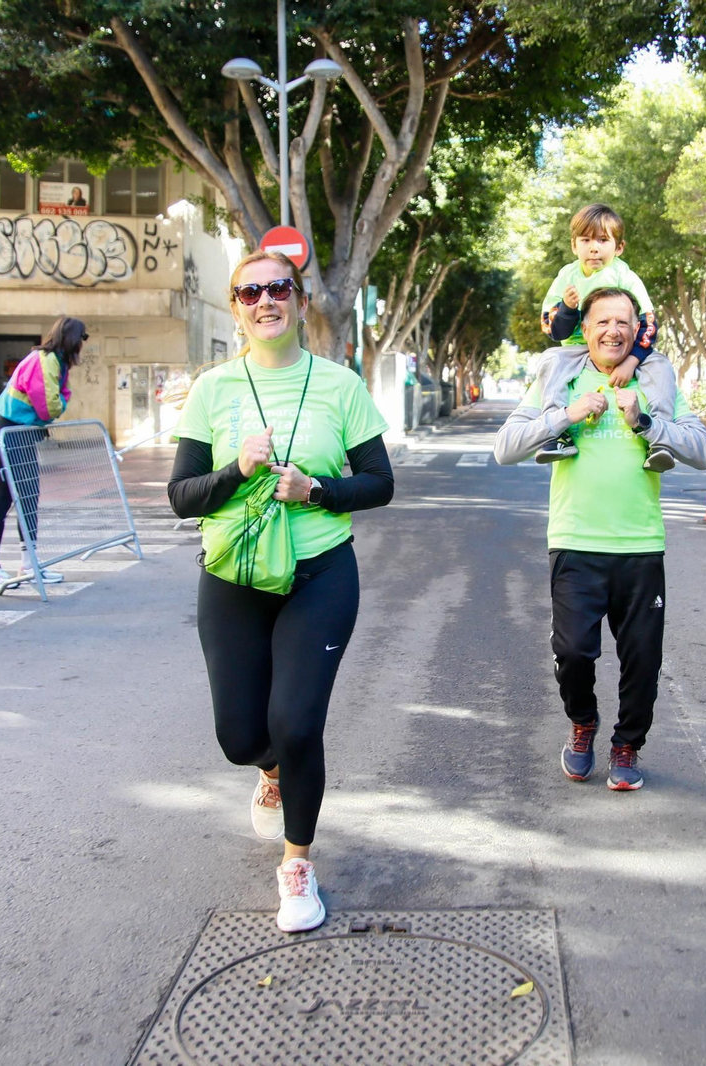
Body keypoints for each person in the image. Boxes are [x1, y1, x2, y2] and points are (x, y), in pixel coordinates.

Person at [168, 251, 394, 933]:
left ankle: (297, 866)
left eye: (278, 289)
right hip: (233, 572)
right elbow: (181, 496)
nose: (265, 300)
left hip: (319, 571)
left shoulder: (339, 386)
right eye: (249, 291)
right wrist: (238, 469)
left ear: (299, 302)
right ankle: (267, 769)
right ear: (236, 308)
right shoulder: (211, 390)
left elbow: (379, 482)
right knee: (241, 735)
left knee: (296, 723)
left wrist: (317, 489)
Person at [494, 288, 706, 791]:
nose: (613, 330)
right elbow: (505, 447)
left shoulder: (654, 383)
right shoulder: (561, 379)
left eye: (624, 322)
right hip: (575, 541)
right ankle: (583, 721)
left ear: (637, 330)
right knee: (573, 653)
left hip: (639, 546)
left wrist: (647, 422)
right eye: (602, 321)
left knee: (642, 657)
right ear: (585, 329)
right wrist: (565, 417)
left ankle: (627, 744)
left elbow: (702, 450)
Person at [534, 204, 671, 471]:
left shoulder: (625, 277)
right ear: (574, 245)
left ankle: (659, 438)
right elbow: (553, 330)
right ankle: (558, 434)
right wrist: (567, 309)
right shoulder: (567, 276)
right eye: (586, 240)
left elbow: (648, 324)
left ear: (619, 247)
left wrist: (631, 361)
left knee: (660, 366)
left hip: (622, 350)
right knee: (552, 361)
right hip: (576, 350)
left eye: (603, 240)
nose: (593, 248)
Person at [0, 316, 85, 589]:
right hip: (13, 428)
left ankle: (27, 564)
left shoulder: (51, 360)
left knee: (23, 496)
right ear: (72, 338)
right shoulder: (47, 360)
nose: (82, 345)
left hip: (16, 428)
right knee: (10, 497)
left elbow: (56, 397)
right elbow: (49, 406)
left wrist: (59, 400)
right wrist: (61, 402)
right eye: (82, 338)